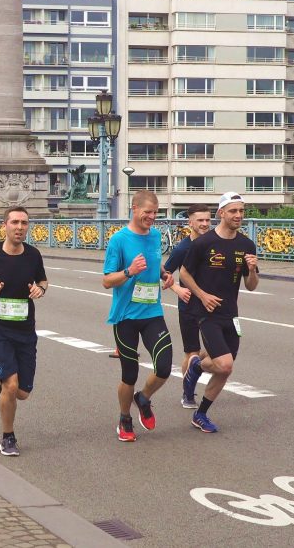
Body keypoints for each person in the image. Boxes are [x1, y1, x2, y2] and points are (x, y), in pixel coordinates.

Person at [180, 192, 260, 434]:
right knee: (225, 366)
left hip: (230, 314)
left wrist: (253, 269)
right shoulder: (203, 243)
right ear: (221, 213)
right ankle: (200, 410)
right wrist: (202, 295)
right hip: (205, 313)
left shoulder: (246, 244)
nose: (238, 215)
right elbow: (184, 273)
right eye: (233, 211)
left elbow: (251, 285)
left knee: (224, 365)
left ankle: (197, 380)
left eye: (241, 211)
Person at [0, 206, 48, 457]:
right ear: (4, 226)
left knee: (23, 393)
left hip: (25, 331)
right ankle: (8, 437)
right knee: (12, 386)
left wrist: (40, 289)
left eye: (24, 223)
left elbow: (43, 281)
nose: (19, 227)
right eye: (14, 222)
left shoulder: (33, 255)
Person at [101, 190, 175, 443]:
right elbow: (107, 281)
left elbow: (155, 264)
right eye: (148, 212)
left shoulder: (155, 236)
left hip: (152, 311)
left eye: (156, 212)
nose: (152, 217)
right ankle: (124, 418)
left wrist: (165, 275)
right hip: (126, 317)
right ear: (134, 209)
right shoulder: (119, 240)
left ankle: (143, 398)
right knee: (129, 373)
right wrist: (129, 271)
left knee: (164, 366)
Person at [163, 204, 213, 408]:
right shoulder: (183, 248)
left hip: (210, 306)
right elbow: (165, 272)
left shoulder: (214, 243)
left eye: (207, 220)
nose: (204, 224)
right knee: (191, 353)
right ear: (190, 223)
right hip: (189, 306)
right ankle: (188, 393)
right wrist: (176, 289)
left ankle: (194, 370)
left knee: (217, 351)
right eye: (200, 220)